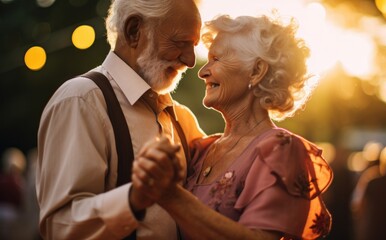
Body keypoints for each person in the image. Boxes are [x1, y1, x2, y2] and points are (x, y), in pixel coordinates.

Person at [132, 15, 333, 240]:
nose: (202, 71)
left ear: (257, 71)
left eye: (216, 59)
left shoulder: (281, 150)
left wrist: (172, 196)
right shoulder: (201, 149)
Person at [36, 0, 204, 239]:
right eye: (180, 43)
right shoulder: (81, 100)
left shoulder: (182, 117)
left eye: (194, 45)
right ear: (134, 31)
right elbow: (60, 226)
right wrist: (134, 198)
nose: (189, 60)